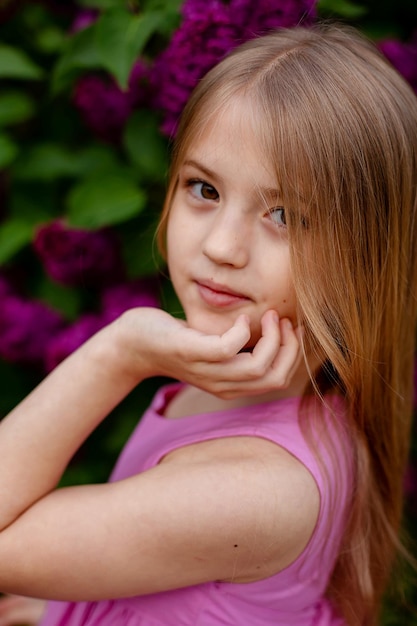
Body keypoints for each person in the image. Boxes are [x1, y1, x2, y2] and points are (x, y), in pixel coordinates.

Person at [0, 23, 416, 626]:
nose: (222, 246)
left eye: (283, 215)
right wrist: (71, 605)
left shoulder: (256, 490)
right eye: (204, 188)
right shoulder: (234, 369)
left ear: (365, 255)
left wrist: (117, 352)